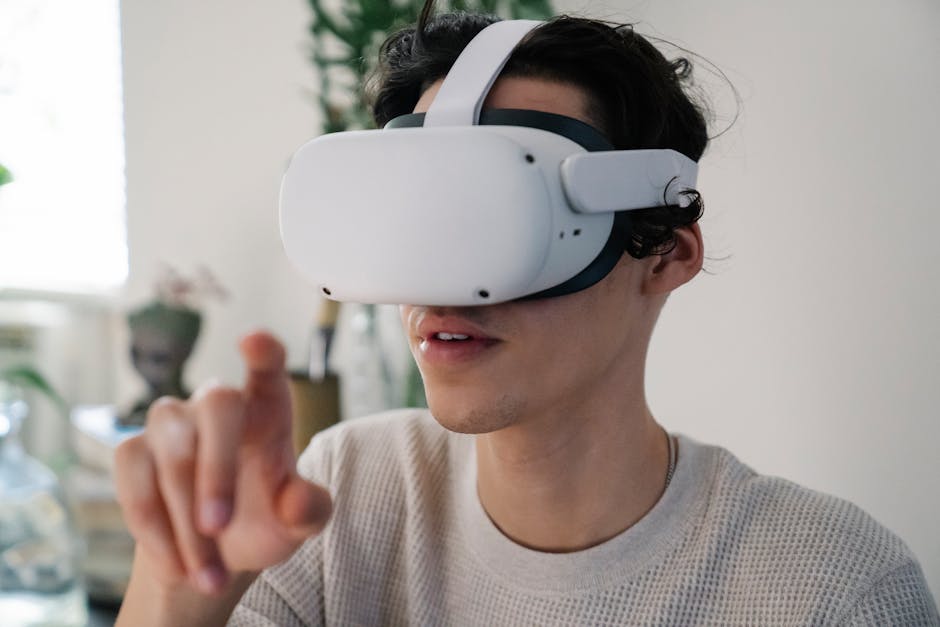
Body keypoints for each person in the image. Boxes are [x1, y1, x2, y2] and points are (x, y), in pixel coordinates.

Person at [114, 6, 939, 626]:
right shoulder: (346, 494)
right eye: (417, 219)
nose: (443, 283)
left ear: (667, 254)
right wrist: (176, 586)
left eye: (499, 219)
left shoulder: (829, 586)